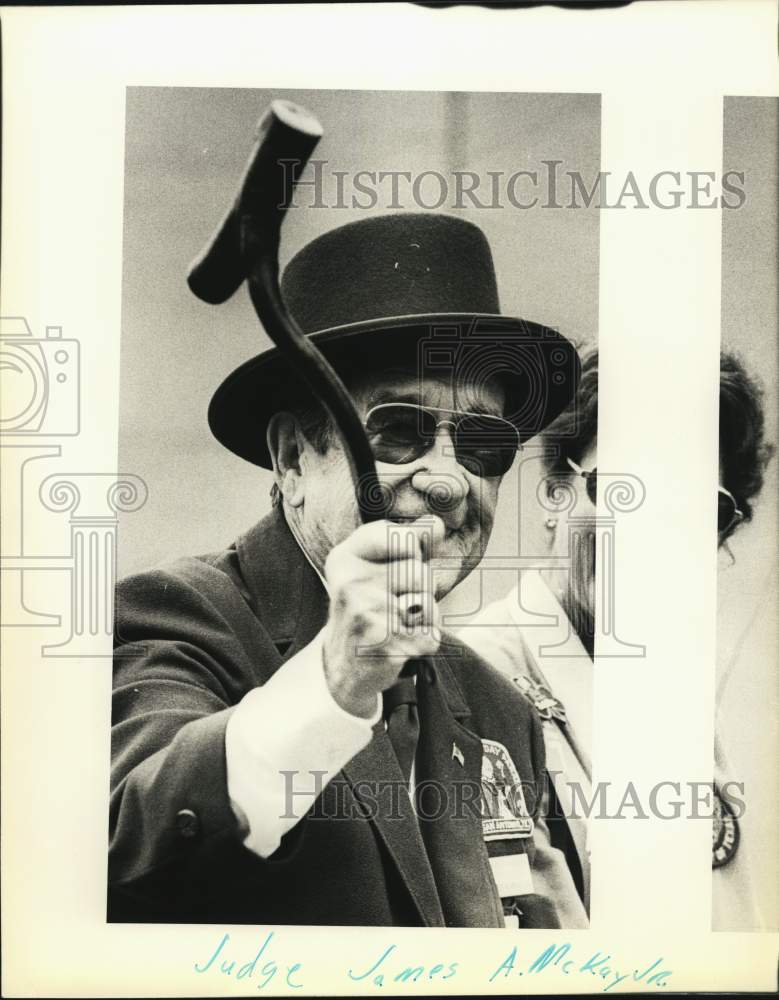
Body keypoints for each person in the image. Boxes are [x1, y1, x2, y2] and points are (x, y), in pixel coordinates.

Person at [108, 212, 587, 927]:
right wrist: (338, 678)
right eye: (399, 430)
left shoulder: (496, 707)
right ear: (293, 458)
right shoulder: (172, 615)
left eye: (484, 444)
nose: (449, 481)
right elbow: (128, 843)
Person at [461, 346, 774, 929]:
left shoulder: (677, 693)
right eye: (621, 490)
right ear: (555, 490)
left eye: (696, 511)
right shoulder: (476, 679)